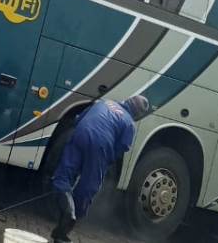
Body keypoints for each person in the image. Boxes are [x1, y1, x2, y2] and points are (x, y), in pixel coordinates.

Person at [50, 94, 152, 243]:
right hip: (101, 145)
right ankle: (69, 220)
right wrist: (102, 161)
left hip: (80, 133)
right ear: (138, 114)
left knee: (63, 177)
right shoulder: (129, 123)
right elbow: (120, 149)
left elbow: (78, 120)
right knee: (88, 188)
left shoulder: (104, 102)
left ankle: (65, 214)